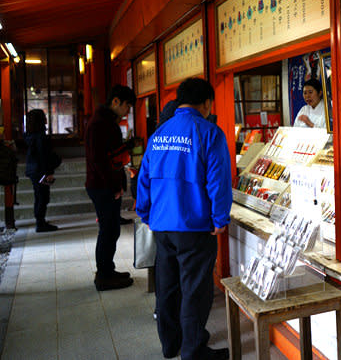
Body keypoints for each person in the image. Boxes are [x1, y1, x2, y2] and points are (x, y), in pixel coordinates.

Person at [136, 77, 231, 360]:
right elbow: (218, 180)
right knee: (195, 290)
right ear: (205, 103)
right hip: (195, 226)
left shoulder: (159, 134)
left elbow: (144, 179)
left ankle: (170, 343)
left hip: (162, 224)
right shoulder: (210, 133)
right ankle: (193, 350)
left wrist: (145, 212)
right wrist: (220, 218)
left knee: (168, 286)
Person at [85, 84, 136, 291]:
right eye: (127, 105)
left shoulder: (104, 122)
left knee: (111, 229)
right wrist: (114, 185)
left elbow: (110, 154)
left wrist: (127, 147)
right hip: (102, 185)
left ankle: (107, 270)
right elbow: (100, 160)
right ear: (115, 101)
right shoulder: (100, 124)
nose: (128, 111)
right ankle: (104, 276)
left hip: (103, 184)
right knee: (108, 230)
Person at [25, 109, 61, 232]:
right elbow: (44, 156)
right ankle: (40, 223)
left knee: (39, 195)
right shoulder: (40, 136)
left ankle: (40, 220)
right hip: (40, 170)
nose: (46, 118)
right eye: (44, 116)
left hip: (33, 170)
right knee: (43, 197)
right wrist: (49, 172)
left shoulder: (30, 136)